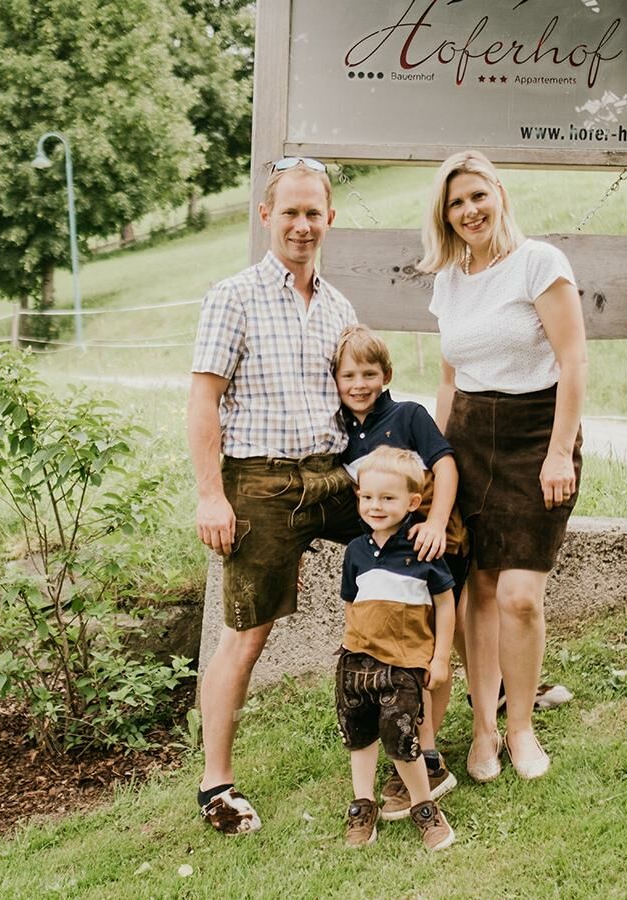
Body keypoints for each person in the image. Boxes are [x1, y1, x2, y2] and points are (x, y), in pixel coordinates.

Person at [188, 156, 362, 834]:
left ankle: (470, 709)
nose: (301, 224)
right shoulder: (233, 296)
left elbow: (357, 400)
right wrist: (212, 496)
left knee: (426, 543)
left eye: (312, 212)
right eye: (289, 211)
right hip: (259, 481)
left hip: (332, 475)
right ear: (266, 216)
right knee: (245, 634)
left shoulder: (340, 306)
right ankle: (216, 786)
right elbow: (203, 400)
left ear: (329, 219)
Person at [419, 150, 587, 782]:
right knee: (475, 592)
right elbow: (449, 376)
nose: (469, 212)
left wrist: (557, 451)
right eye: (456, 203)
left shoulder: (540, 263)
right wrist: (437, 459)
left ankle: (522, 728)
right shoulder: (448, 279)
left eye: (477, 197)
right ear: (446, 215)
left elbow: (573, 362)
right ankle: (484, 729)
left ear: (499, 193)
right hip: (467, 441)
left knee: (519, 594)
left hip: (536, 433)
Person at [333, 324, 467, 818]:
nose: (360, 383)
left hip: (431, 544)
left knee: (435, 648)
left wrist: (432, 521)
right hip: (384, 562)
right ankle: (413, 748)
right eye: (349, 374)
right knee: (405, 657)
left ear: (386, 375)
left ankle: (428, 755)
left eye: (369, 372)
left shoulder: (408, 415)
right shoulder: (342, 432)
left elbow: (445, 464)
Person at [337, 446, 456, 850]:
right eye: (368, 497)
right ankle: (363, 805)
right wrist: (350, 646)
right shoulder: (355, 551)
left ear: (413, 502)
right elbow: (351, 603)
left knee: (402, 736)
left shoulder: (422, 547)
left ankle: (425, 807)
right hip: (356, 662)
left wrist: (440, 658)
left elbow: (444, 602)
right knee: (360, 735)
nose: (376, 505)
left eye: (388, 498)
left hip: (404, 663)